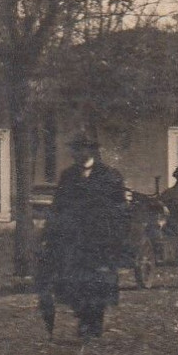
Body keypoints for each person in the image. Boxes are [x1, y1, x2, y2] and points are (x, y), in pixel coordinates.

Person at [48, 135, 130, 339]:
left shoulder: (110, 175)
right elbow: (58, 206)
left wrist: (115, 234)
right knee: (76, 282)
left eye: (80, 149)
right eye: (74, 150)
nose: (76, 154)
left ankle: (94, 322)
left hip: (101, 240)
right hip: (75, 239)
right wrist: (54, 229)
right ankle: (84, 317)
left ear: (91, 151)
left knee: (98, 282)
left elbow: (121, 208)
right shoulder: (67, 176)